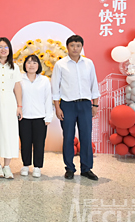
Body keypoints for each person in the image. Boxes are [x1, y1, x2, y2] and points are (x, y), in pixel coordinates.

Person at [51, 35, 100, 181]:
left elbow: (94, 84)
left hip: (85, 104)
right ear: (67, 47)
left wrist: (95, 105)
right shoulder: (60, 65)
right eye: (72, 45)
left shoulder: (89, 63)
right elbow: (55, 88)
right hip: (67, 105)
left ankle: (86, 169)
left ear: (81, 47)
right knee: (68, 137)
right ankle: (69, 168)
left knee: (86, 136)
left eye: (78, 45)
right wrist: (57, 108)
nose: (75, 48)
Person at [0, 37, 22, 179]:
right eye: (0, 47)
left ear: (10, 49)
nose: (3, 49)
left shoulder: (14, 67)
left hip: (9, 102)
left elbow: (17, 86)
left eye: (6, 47)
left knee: (10, 132)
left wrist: (19, 105)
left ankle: (7, 166)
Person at [19, 55, 54, 178]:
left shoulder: (44, 80)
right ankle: (25, 165)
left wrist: (48, 116)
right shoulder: (20, 79)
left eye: (34, 62)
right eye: (29, 62)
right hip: (24, 117)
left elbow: (48, 99)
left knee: (39, 143)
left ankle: (37, 167)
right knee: (25, 143)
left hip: (40, 117)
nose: (31, 65)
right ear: (25, 65)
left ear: (38, 65)